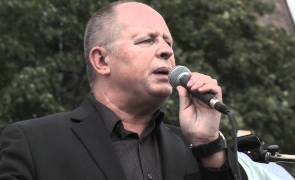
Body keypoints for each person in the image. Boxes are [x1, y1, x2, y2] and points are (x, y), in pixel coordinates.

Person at [0, 1, 235, 180]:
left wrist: (208, 145)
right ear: (101, 60)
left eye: (168, 43)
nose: (166, 51)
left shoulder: (193, 150)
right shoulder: (32, 143)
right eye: (147, 40)